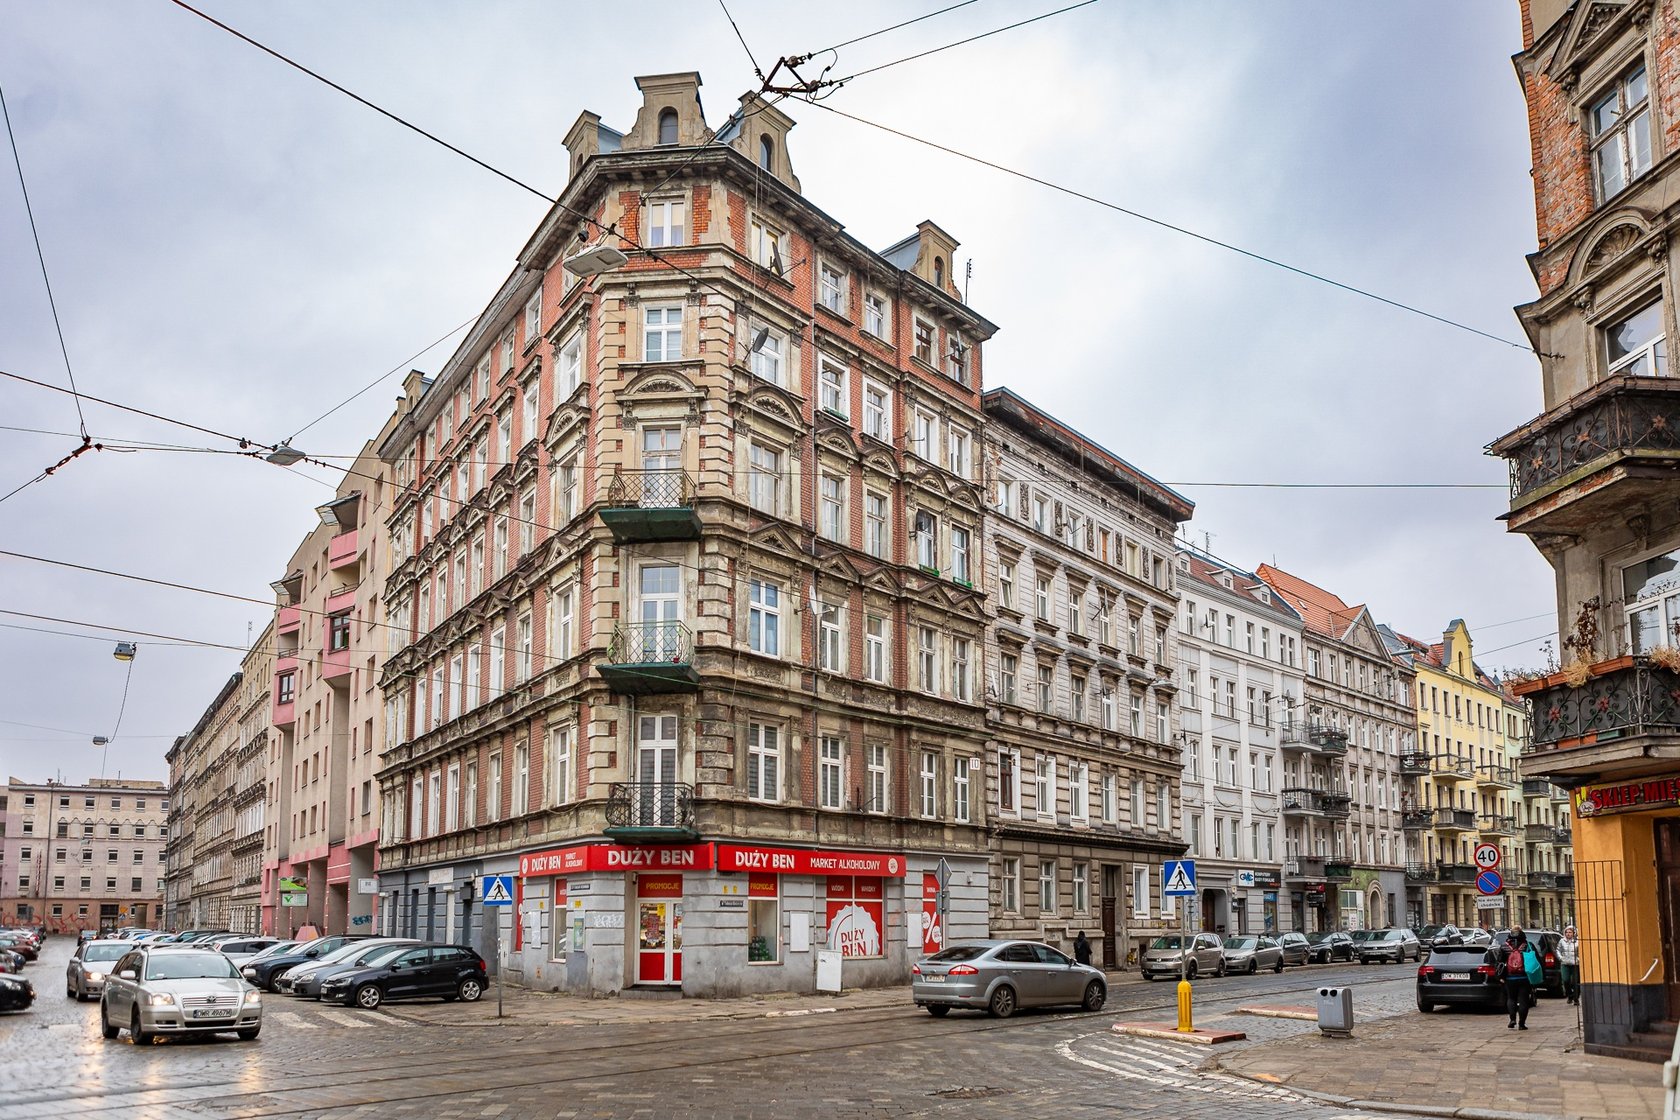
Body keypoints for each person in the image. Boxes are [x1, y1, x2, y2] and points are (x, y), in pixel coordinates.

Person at [1503, 927, 1532, 1029]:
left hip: (1510, 978)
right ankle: (1522, 1024)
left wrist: (1501, 977)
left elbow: (1499, 963)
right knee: (1524, 1000)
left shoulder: (1504, 946)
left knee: (1511, 998)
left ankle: (1512, 1019)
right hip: (1524, 977)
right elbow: (1534, 960)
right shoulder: (1527, 946)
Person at [1558, 925, 1580, 1005]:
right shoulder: (1562, 941)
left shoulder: (1577, 941)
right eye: (1567, 932)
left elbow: (1581, 951)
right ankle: (1570, 995)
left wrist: (1578, 959)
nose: (1568, 934)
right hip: (1565, 963)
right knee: (1565, 980)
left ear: (1574, 933)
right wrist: (1561, 958)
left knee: (1575, 982)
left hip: (1575, 964)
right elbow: (1558, 950)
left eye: (1570, 932)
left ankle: (1576, 999)